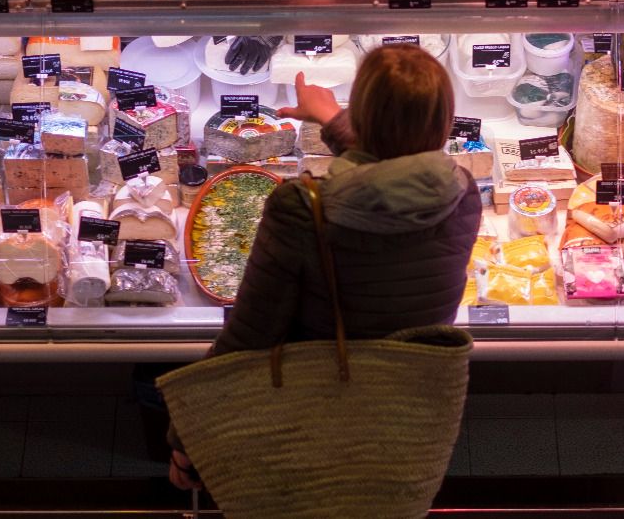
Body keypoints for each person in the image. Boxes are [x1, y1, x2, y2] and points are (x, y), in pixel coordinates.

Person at [168, 43, 482, 491]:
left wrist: (186, 440)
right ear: (446, 121)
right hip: (406, 408)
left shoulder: (303, 207)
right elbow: (396, 173)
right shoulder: (463, 195)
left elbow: (250, 336)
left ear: (365, 118)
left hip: (316, 402)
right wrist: (334, 121)